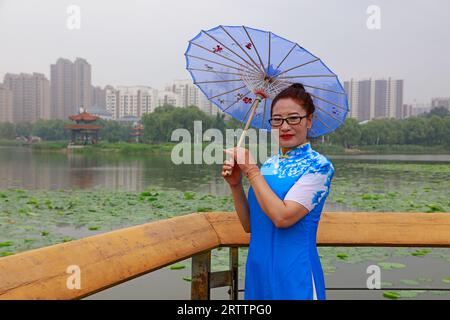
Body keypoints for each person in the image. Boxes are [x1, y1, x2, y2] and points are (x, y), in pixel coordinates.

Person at [222, 83, 335, 300]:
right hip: (259, 271)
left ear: (309, 121)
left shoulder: (319, 166)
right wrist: (236, 185)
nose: (284, 127)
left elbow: (283, 218)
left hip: (294, 272)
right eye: (277, 120)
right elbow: (250, 225)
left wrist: (252, 171)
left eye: (293, 118)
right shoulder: (270, 165)